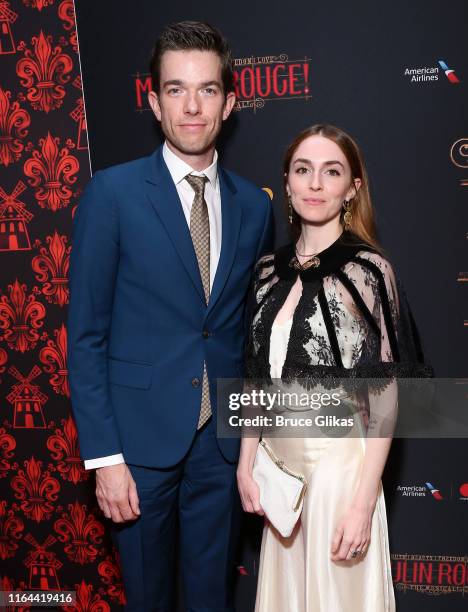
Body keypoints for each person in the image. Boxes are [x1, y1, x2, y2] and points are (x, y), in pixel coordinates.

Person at [67, 21, 273, 611]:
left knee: (212, 599)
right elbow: (85, 338)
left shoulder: (253, 207)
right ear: (154, 100)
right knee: (149, 599)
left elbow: (248, 336)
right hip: (136, 450)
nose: (192, 105)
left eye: (207, 89)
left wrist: (250, 447)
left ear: (229, 103)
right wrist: (105, 460)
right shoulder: (112, 194)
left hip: (222, 447)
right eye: (176, 89)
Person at [237, 124, 431, 611]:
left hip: (338, 476)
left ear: (353, 189)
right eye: (304, 170)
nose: (316, 184)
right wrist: (246, 465)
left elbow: (385, 398)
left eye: (332, 172)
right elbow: (256, 376)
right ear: (287, 183)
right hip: (279, 477)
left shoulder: (369, 271)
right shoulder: (265, 271)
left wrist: (363, 503)